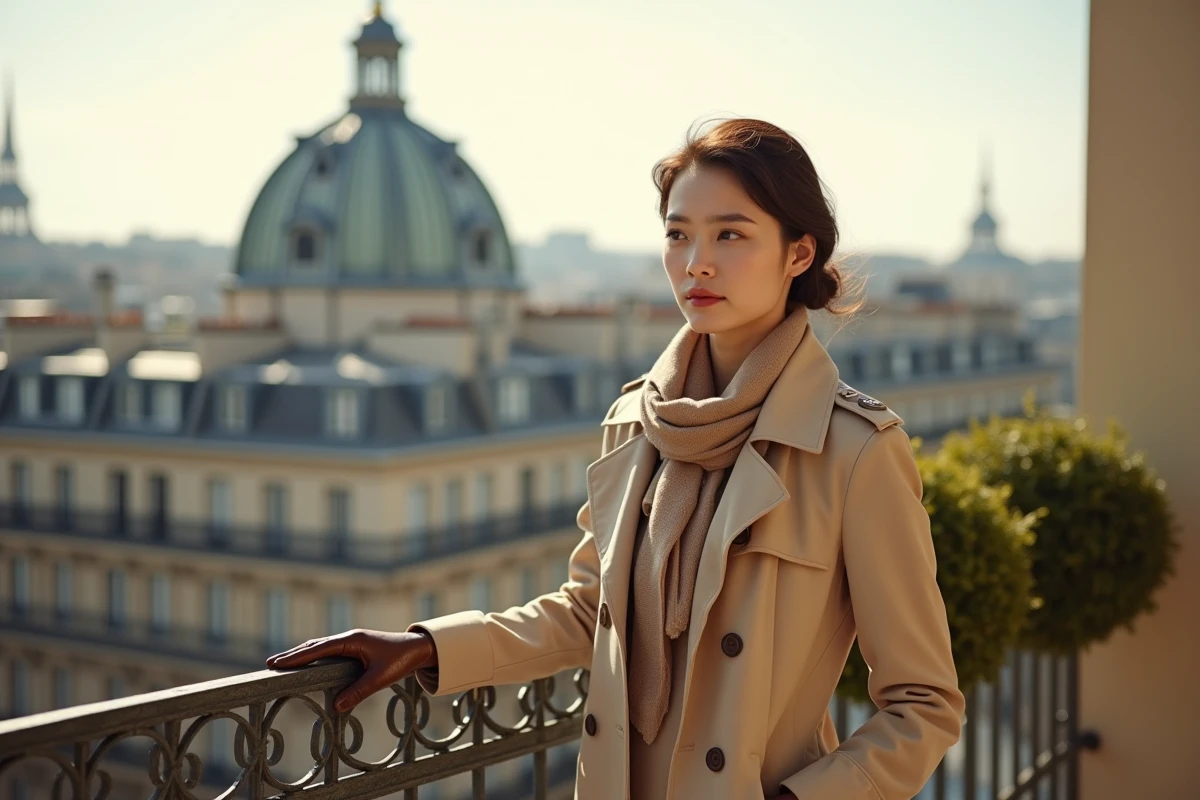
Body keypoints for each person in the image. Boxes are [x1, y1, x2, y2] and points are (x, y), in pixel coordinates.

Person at [267, 117, 965, 798]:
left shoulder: (854, 449)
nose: (697, 263)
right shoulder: (635, 423)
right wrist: (426, 647)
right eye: (678, 235)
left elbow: (924, 702)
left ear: (799, 254)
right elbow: (588, 612)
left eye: (731, 233)